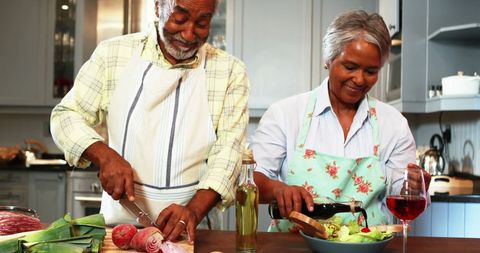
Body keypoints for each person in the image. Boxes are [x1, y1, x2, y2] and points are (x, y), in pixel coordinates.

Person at [50, 0, 249, 243]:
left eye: (201, 23)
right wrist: (104, 156)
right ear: (158, 8)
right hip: (119, 230)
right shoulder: (112, 54)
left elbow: (229, 152)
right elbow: (66, 115)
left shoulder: (230, 71)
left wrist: (194, 211)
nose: (188, 34)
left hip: (193, 229)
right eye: (179, 19)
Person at [250, 10, 431, 232]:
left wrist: (413, 187)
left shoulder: (393, 124)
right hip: (293, 246)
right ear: (329, 59)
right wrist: (278, 189)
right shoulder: (284, 114)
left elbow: (399, 193)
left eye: (371, 71)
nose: (359, 79)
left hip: (367, 247)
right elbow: (251, 181)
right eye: (350, 67)